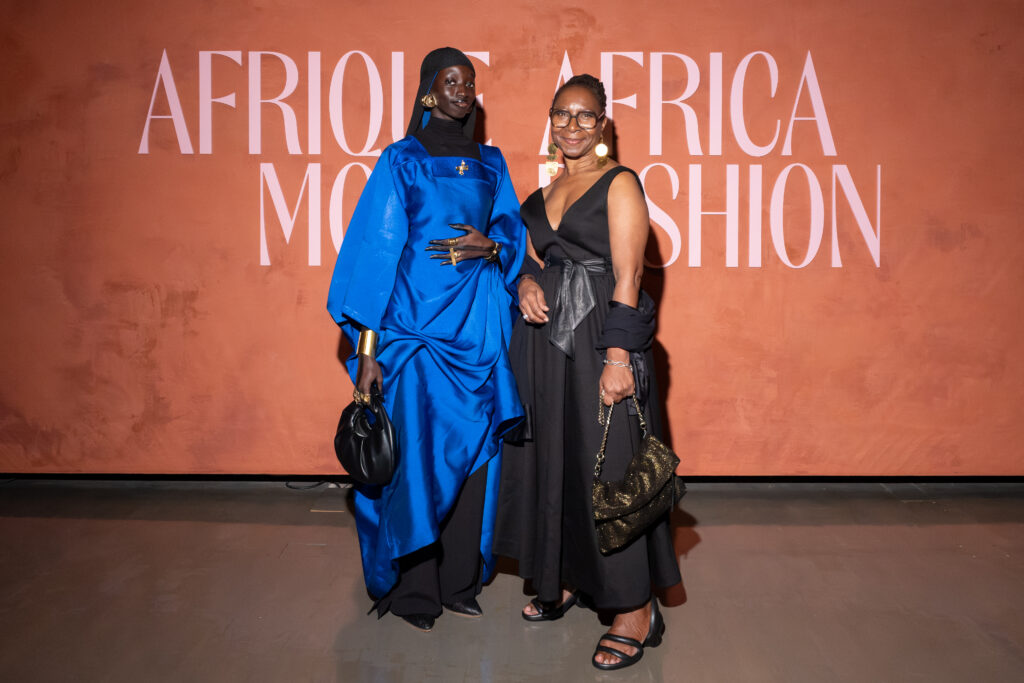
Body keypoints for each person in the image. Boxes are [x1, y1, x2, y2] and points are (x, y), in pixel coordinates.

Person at [327, 47, 526, 632]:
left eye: (470, 82)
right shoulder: (401, 161)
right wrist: (367, 352)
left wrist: (490, 247)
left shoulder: (492, 163)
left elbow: (511, 233)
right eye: (451, 81)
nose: (463, 90)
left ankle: (460, 583)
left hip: (479, 335)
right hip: (413, 340)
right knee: (415, 464)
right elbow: (373, 258)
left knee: (472, 461)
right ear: (428, 93)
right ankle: (415, 590)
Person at [494, 74, 681, 670]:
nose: (571, 126)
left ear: (603, 124)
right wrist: (525, 279)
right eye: (561, 115)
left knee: (616, 468)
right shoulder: (544, 191)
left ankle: (633, 607)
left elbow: (629, 275)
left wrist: (620, 357)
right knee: (563, 463)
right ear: (550, 121)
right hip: (545, 347)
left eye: (585, 116)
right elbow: (529, 256)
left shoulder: (619, 183)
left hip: (602, 339)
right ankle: (570, 574)